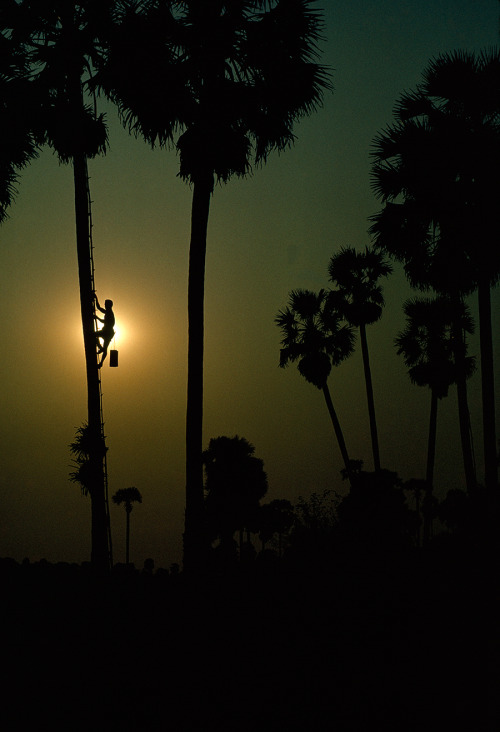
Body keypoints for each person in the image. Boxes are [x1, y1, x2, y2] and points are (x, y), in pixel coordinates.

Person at [94, 294, 115, 368]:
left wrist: (97, 318)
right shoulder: (107, 312)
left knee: (94, 335)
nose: (105, 305)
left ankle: (101, 351)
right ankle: (101, 349)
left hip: (107, 331)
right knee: (104, 347)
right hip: (108, 332)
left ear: (109, 305)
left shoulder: (109, 313)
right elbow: (99, 308)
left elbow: (104, 322)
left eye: (105, 304)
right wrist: (96, 297)